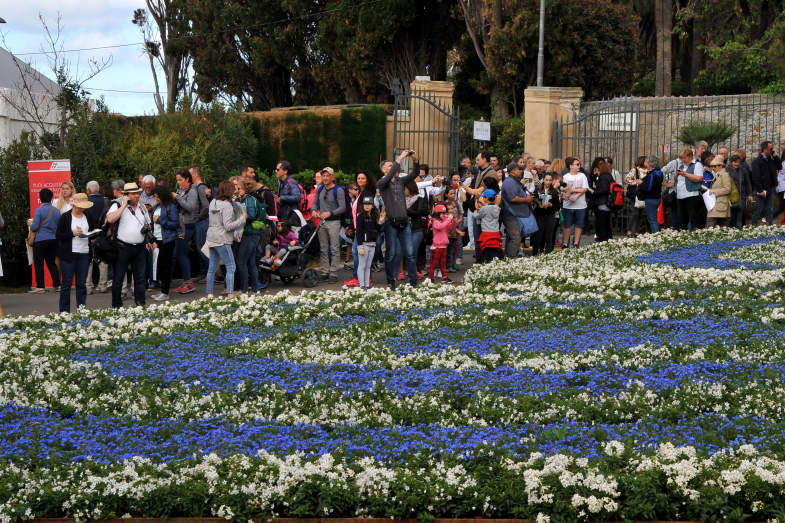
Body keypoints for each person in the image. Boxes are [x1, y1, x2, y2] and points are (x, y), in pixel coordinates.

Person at [106, 183, 156, 308]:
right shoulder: (117, 205)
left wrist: (150, 240)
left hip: (139, 247)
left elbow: (148, 225)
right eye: (133, 194)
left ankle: (141, 304)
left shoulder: (142, 207)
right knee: (118, 278)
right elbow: (110, 219)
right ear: (126, 195)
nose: (137, 196)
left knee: (140, 278)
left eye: (137, 193)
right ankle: (117, 306)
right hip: (122, 247)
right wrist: (124, 205)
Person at [378, 149, 421, 289]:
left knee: (410, 253)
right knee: (390, 254)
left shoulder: (400, 181)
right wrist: (400, 158)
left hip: (404, 222)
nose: (394, 168)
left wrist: (415, 160)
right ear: (384, 170)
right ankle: (391, 280)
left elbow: (415, 174)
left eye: (393, 165)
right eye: (389, 166)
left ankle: (413, 281)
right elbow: (391, 174)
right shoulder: (382, 183)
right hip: (391, 223)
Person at [204, 181, 246, 299]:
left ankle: (209, 293)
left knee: (212, 267)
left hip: (211, 237)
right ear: (228, 191)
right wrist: (242, 219)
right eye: (233, 189)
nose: (235, 191)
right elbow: (228, 226)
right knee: (231, 266)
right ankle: (231, 293)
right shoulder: (227, 205)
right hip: (222, 239)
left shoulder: (213, 202)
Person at [54, 193, 94, 312]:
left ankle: (81, 309)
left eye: (84, 207)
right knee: (67, 283)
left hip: (84, 253)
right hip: (69, 254)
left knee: (81, 284)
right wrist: (72, 234)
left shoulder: (88, 216)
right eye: (80, 207)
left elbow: (91, 231)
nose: (82, 209)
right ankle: (64, 311)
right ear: (73, 204)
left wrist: (93, 233)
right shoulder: (66, 217)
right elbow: (58, 235)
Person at [311, 167, 346, 284]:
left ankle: (333, 273)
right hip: (322, 222)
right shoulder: (320, 189)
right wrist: (314, 210)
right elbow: (315, 203)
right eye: (323, 176)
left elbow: (343, 207)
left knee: (335, 248)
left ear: (332, 177)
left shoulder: (338, 190)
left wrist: (330, 213)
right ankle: (325, 272)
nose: (325, 178)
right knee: (323, 248)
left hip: (334, 222)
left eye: (327, 176)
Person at [344, 170, 378, 287]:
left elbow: (363, 212)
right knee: (358, 254)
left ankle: (360, 279)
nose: (360, 180)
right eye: (358, 178)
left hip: (363, 230)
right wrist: (352, 226)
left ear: (368, 179)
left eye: (363, 178)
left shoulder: (367, 193)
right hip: (358, 226)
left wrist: (357, 227)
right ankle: (362, 279)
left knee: (359, 254)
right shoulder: (361, 192)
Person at [466, 151, 498, 262]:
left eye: (478, 159)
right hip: (478, 208)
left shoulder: (491, 173)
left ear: (484, 160)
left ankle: (483, 260)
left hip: (483, 210)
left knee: (482, 238)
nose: (476, 162)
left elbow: (489, 192)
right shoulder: (480, 171)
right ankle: (480, 259)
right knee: (477, 237)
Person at [149, 185, 180, 301]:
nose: (156, 199)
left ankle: (165, 292)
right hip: (157, 238)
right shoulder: (156, 206)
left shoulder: (171, 207)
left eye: (158, 196)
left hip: (167, 239)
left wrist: (160, 220)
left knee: (165, 265)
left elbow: (175, 224)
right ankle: (162, 290)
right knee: (159, 265)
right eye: (155, 196)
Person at [235, 177, 266, 295]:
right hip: (254, 233)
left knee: (241, 261)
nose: (238, 190)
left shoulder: (249, 199)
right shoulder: (251, 198)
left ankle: (243, 290)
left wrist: (241, 217)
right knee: (251, 262)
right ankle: (255, 289)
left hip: (249, 233)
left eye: (239, 188)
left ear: (245, 188)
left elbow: (251, 215)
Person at [28, 188, 61, 293]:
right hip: (54, 240)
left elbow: (34, 227)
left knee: (39, 263)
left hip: (41, 240)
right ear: (52, 198)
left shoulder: (39, 210)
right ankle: (57, 284)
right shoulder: (56, 211)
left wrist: (30, 224)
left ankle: (40, 286)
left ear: (40, 198)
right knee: (51, 262)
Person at [171, 169, 198, 294]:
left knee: (179, 253)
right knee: (184, 254)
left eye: (180, 180)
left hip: (187, 225)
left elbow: (190, 208)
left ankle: (188, 282)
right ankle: (186, 282)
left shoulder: (192, 190)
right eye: (177, 180)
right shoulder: (180, 190)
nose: (178, 182)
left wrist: (177, 198)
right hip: (180, 224)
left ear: (187, 179)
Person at [500, 162, 534, 258]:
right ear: (513, 171)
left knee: (513, 238)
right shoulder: (510, 182)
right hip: (511, 216)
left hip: (514, 215)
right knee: (515, 238)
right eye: (519, 169)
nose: (521, 171)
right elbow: (513, 198)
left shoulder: (513, 181)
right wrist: (526, 199)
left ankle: (510, 258)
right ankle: (510, 259)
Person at [671, 148, 706, 230]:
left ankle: (696, 235)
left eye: (685, 158)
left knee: (694, 217)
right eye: (681, 158)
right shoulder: (682, 166)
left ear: (691, 157)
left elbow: (699, 178)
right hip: (681, 195)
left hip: (692, 195)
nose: (683, 160)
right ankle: (683, 235)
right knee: (682, 218)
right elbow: (675, 180)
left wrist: (685, 174)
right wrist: (676, 174)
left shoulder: (697, 165)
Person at [85, 180, 109, 294]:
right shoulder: (106, 201)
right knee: (103, 261)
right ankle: (103, 286)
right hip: (102, 235)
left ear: (89, 190)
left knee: (88, 261)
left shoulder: (85, 202)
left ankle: (88, 287)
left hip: (89, 235)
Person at [355, 196, 383, 289]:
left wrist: (380, 222)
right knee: (362, 265)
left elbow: (377, 230)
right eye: (365, 204)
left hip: (372, 244)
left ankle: (367, 283)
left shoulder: (374, 216)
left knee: (368, 266)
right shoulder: (360, 216)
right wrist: (360, 246)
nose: (367, 206)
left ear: (372, 206)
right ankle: (362, 284)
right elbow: (358, 232)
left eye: (369, 204)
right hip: (364, 244)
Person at [190, 166, 211, 283]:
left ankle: (208, 273)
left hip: (202, 222)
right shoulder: (199, 188)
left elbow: (206, 206)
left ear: (195, 175)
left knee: (202, 248)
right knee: (200, 248)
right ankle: (203, 273)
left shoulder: (200, 188)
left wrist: (198, 217)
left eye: (189, 174)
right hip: (200, 221)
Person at [562, 157, 589, 247]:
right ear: (571, 166)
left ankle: (576, 243)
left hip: (580, 205)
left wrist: (576, 195)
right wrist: (577, 190)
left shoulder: (582, 175)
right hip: (568, 205)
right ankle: (565, 244)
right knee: (567, 225)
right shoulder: (565, 177)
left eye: (579, 164)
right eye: (577, 164)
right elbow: (565, 190)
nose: (579, 166)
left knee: (579, 225)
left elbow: (585, 189)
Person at [751, 140, 780, 226]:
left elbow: (779, 166)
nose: (772, 150)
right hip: (762, 189)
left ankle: (769, 228)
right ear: (765, 149)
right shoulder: (757, 161)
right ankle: (754, 227)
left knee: (769, 210)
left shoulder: (770, 159)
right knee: (758, 210)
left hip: (770, 188)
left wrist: (775, 156)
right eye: (771, 149)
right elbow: (756, 177)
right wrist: (760, 190)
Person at [428, 203, 459, 283]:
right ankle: (431, 278)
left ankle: (444, 277)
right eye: (442, 213)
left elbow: (451, 227)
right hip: (437, 246)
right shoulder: (435, 221)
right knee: (434, 262)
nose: (444, 215)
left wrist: (454, 222)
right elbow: (441, 226)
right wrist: (448, 219)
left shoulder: (443, 221)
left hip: (444, 245)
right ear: (437, 213)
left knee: (443, 262)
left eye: (444, 213)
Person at [531, 173, 561, 255]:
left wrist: (550, 205)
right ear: (543, 180)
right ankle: (534, 254)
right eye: (546, 180)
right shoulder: (538, 191)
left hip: (550, 216)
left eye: (550, 180)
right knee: (538, 237)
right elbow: (534, 201)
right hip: (540, 216)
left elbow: (557, 206)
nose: (548, 182)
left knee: (549, 237)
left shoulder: (554, 192)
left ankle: (548, 255)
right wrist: (538, 204)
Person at [637, 155, 664, 233]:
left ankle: (655, 236)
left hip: (651, 198)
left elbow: (649, 188)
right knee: (653, 218)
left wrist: (641, 183)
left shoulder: (652, 174)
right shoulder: (659, 172)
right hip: (657, 197)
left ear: (650, 164)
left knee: (652, 219)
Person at [474, 189, 502, 263]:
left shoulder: (484, 208)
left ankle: (485, 269)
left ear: (487, 198)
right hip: (495, 234)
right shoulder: (497, 208)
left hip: (486, 234)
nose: (483, 198)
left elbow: (477, 216)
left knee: (485, 255)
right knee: (494, 255)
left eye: (484, 197)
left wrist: (475, 211)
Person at [705, 156, 732, 228]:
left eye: (715, 166)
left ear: (721, 166)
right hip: (716, 203)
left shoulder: (725, 175)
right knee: (721, 225)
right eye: (712, 166)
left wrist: (714, 191)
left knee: (710, 223)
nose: (713, 168)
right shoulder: (718, 175)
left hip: (720, 204)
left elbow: (727, 189)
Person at [727, 154, 754, 228]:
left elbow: (748, 183)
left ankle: (739, 232)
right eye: (735, 162)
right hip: (730, 197)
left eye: (738, 162)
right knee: (730, 216)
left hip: (741, 196)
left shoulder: (743, 171)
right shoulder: (726, 170)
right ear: (731, 162)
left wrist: (750, 194)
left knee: (739, 216)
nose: (737, 164)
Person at [625, 157, 648, 237]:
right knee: (635, 213)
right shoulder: (635, 170)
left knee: (641, 213)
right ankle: (629, 230)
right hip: (635, 194)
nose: (647, 162)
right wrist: (637, 182)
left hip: (643, 194)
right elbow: (627, 180)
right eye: (646, 160)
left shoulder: (648, 171)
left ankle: (636, 232)